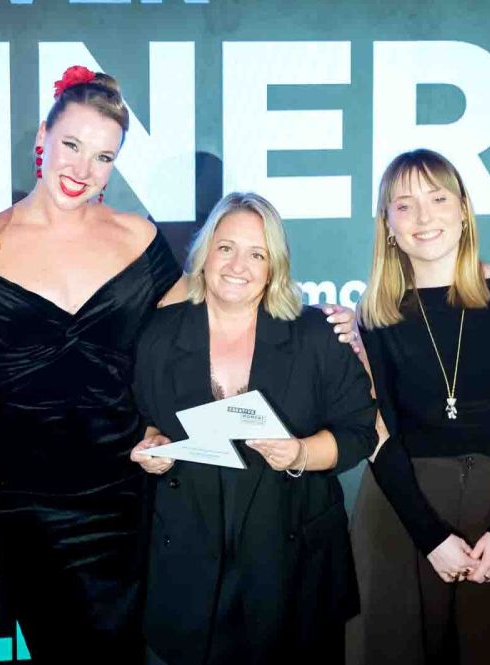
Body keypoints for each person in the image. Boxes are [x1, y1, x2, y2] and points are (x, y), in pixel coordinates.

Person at [0, 66, 359, 663]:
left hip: (129, 487)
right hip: (26, 498)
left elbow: (222, 299)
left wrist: (330, 326)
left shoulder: (139, 239)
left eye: (103, 157)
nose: (82, 169)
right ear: (42, 138)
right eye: (71, 144)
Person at [129, 192, 378, 665]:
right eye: (226, 248)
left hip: (293, 567)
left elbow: (359, 430)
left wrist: (301, 453)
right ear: (205, 253)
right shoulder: (158, 334)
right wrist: (152, 445)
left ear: (274, 267)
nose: (237, 265)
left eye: (256, 254)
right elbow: (144, 418)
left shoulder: (315, 333)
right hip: (189, 566)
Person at [350, 149, 490, 664]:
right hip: (404, 515)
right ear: (388, 225)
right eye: (404, 205)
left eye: (438, 198)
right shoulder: (375, 313)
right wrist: (430, 536)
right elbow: (377, 431)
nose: (423, 217)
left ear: (464, 210)